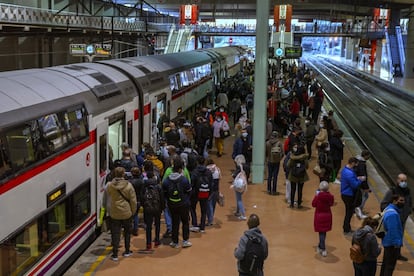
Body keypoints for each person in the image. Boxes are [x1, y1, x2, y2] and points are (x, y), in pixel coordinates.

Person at [106, 167, 137, 261]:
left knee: (115, 233)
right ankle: (127, 251)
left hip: (115, 212)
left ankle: (115, 254)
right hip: (126, 212)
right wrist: (133, 211)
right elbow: (133, 201)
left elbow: (109, 197)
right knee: (127, 232)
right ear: (123, 174)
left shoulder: (110, 185)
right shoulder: (129, 186)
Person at [380, 173, 412, 262]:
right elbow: (383, 204)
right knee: (391, 236)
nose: (404, 183)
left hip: (402, 219)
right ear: (397, 180)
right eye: (402, 181)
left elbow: (409, 202)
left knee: (399, 236)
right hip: (393, 219)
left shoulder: (407, 191)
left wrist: (408, 210)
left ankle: (397, 254)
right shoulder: (392, 191)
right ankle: (390, 255)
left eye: (405, 181)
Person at [162, 157, 192, 248]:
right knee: (185, 222)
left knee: (175, 222)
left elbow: (164, 192)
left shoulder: (167, 180)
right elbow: (189, 191)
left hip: (172, 204)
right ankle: (185, 240)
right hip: (183, 204)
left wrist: (168, 200)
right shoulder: (183, 180)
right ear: (180, 169)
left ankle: (175, 241)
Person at [379, 194, 404, 276]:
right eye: (401, 200)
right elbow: (393, 231)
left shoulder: (388, 209)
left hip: (387, 242)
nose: (403, 202)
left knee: (385, 264)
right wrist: (397, 244)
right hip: (392, 244)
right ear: (394, 201)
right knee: (389, 266)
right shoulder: (393, 214)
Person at [140, 168, 164, 250]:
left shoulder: (144, 186)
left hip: (147, 208)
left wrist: (144, 206)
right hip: (157, 208)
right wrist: (162, 208)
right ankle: (157, 240)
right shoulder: (158, 186)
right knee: (157, 224)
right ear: (154, 176)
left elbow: (142, 198)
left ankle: (148, 243)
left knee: (148, 226)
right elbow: (162, 198)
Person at [340, 157, 365, 234]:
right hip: (348, 195)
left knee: (349, 212)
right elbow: (354, 185)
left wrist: (357, 178)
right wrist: (360, 180)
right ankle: (346, 228)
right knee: (349, 212)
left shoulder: (345, 170)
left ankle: (347, 227)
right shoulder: (349, 173)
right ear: (353, 163)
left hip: (345, 193)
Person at [312, 181, 334, 257]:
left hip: (319, 216)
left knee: (321, 233)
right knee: (323, 232)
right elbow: (331, 204)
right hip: (327, 215)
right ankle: (320, 245)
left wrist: (316, 195)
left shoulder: (318, 196)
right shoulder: (331, 196)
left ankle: (323, 248)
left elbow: (313, 204)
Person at [287, 143, 309, 208]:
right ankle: (299, 204)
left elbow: (288, 165)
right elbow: (307, 166)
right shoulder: (304, 157)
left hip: (293, 175)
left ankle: (292, 204)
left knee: (293, 189)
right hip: (302, 176)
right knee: (300, 190)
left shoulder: (293, 157)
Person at [354, 150, 371, 220]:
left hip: (358, 183)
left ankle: (357, 210)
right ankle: (358, 210)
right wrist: (366, 187)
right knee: (364, 196)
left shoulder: (358, 161)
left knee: (361, 197)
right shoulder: (362, 164)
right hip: (361, 184)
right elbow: (363, 176)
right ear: (366, 156)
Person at [265, 131, 283, 195]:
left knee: (269, 176)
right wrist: (279, 159)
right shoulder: (279, 143)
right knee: (275, 176)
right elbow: (282, 153)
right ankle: (274, 190)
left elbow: (265, 153)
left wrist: (267, 158)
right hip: (276, 162)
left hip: (269, 161)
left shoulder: (267, 143)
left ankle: (268, 189)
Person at [206, 158, 221, 226]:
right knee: (213, 204)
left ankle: (210, 219)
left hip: (209, 189)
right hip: (216, 188)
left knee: (209, 204)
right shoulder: (217, 169)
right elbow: (220, 178)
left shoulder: (207, 169)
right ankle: (211, 217)